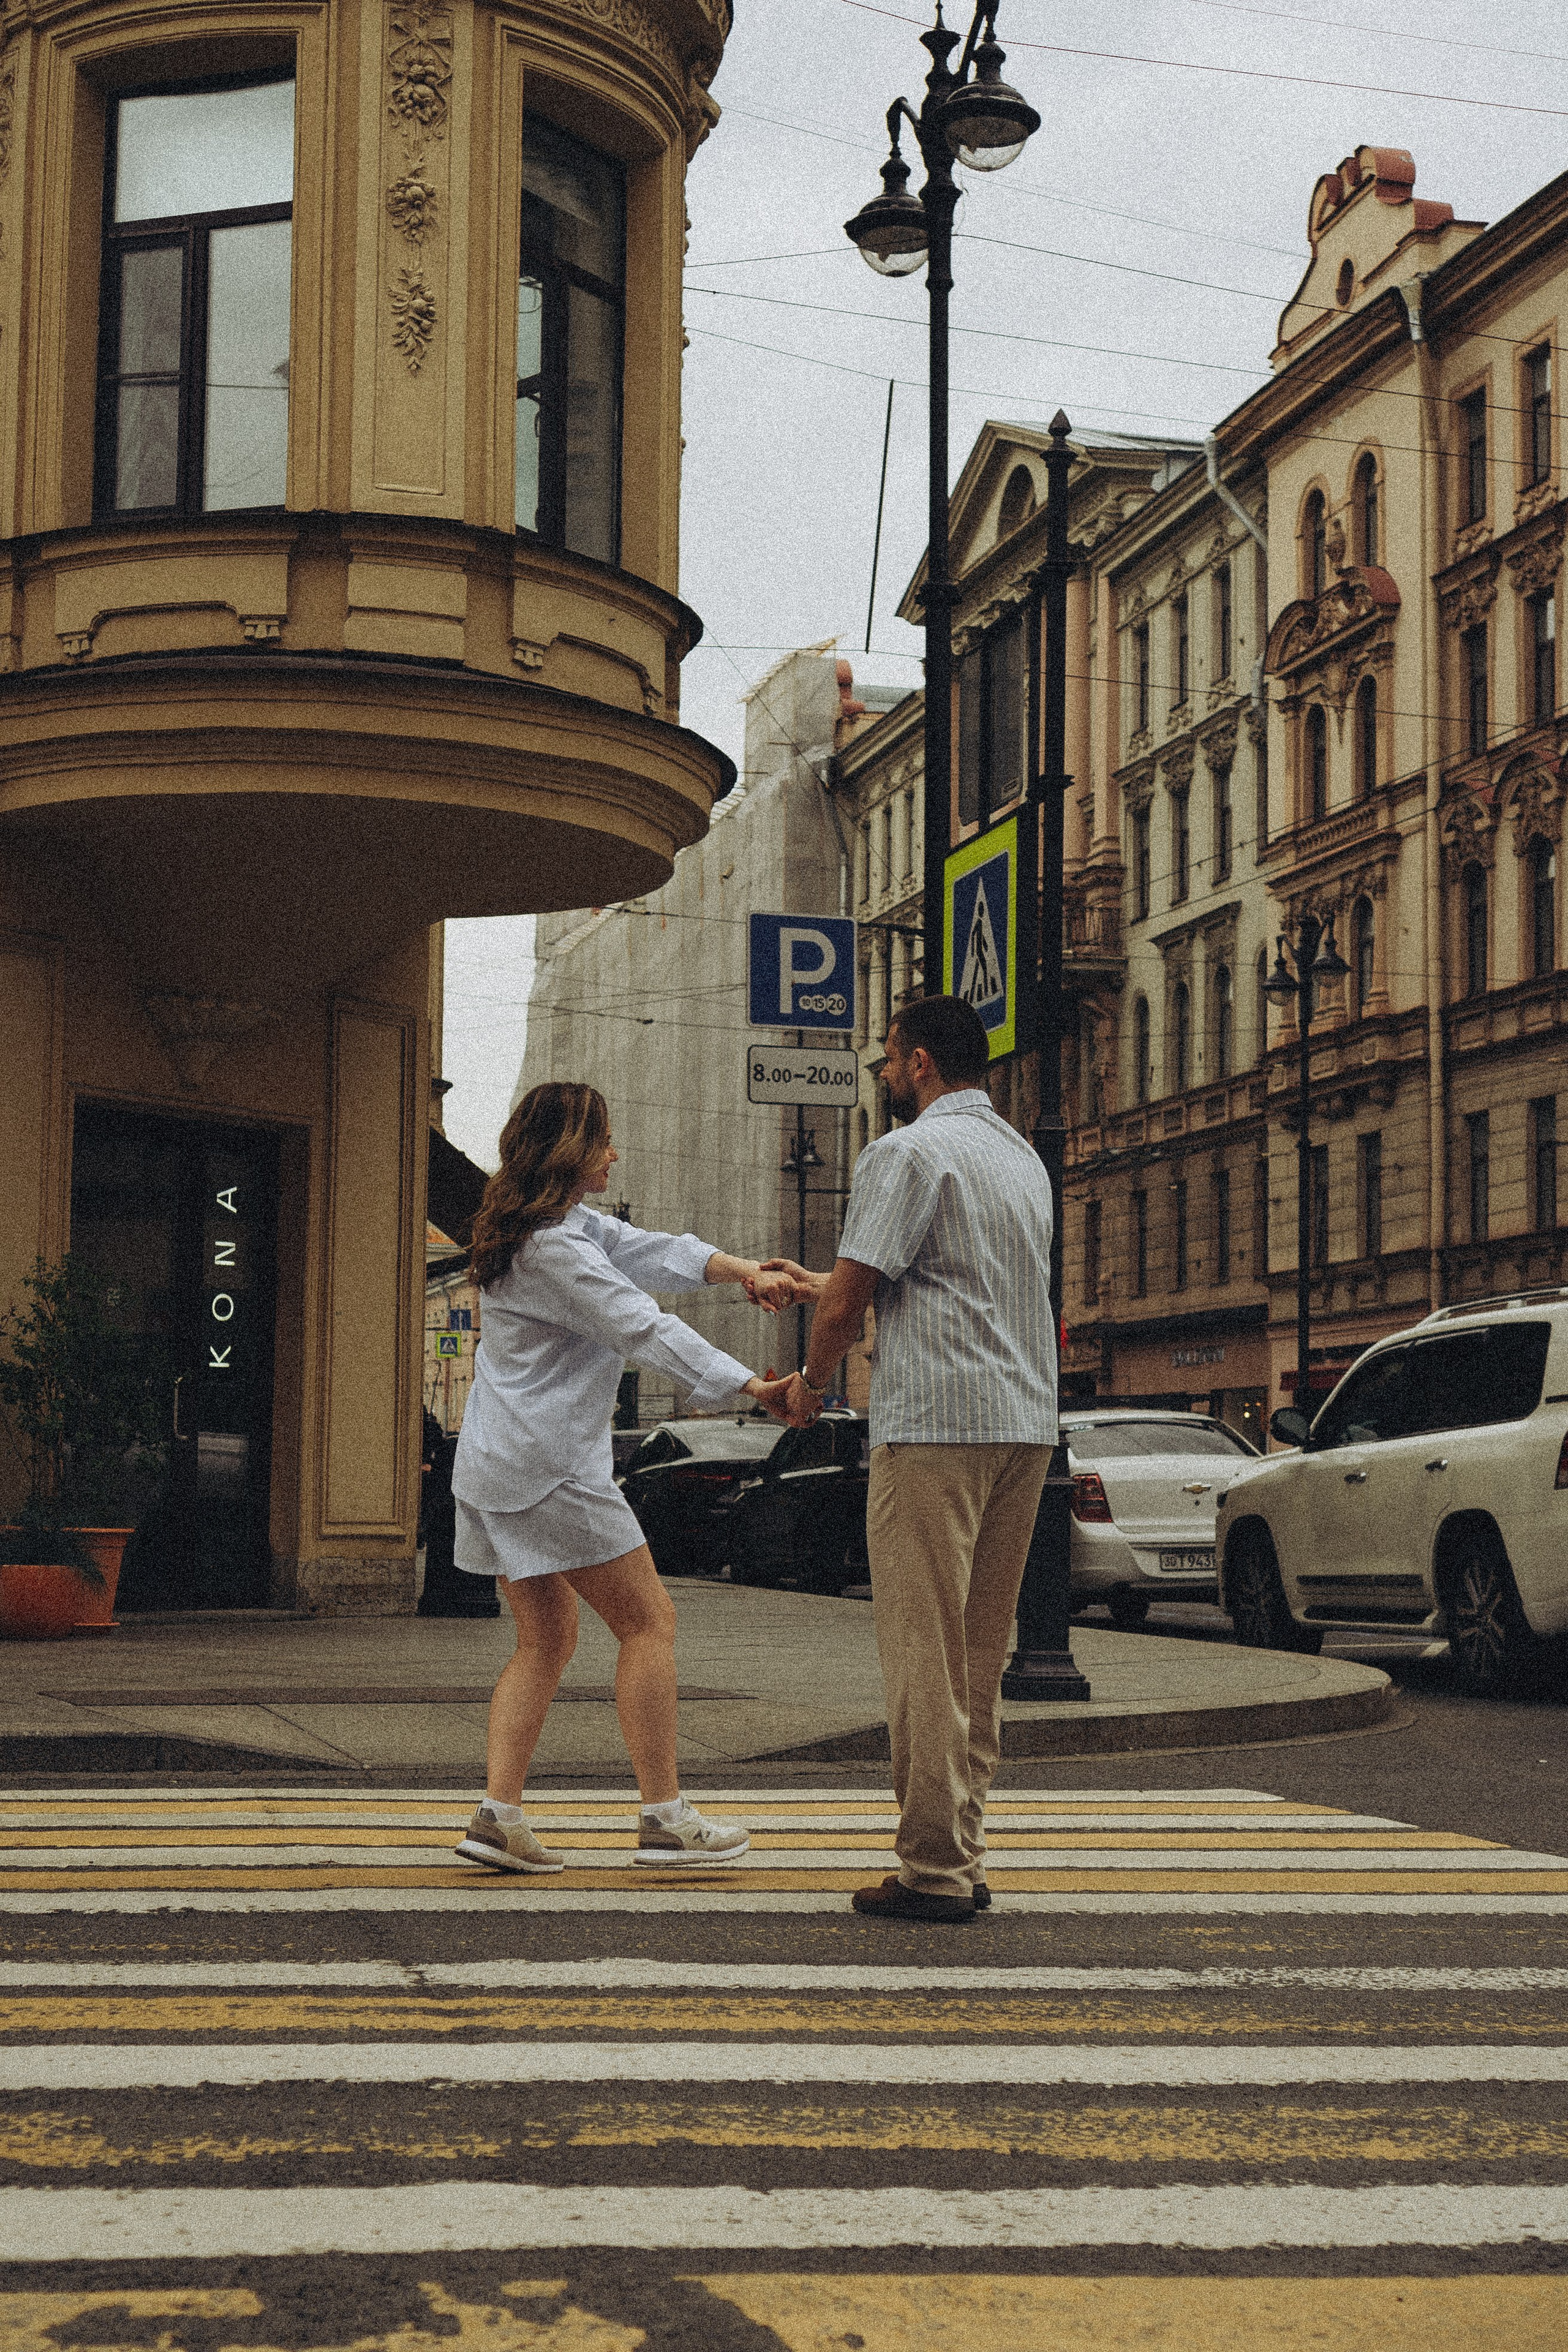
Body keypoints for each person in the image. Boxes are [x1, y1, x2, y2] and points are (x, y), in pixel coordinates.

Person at [450, 1081, 796, 1875]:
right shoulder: (557, 1250)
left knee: (545, 1638)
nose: (615, 1153)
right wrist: (755, 1389)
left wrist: (745, 1269)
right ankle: (665, 1817)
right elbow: (643, 1324)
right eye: (604, 1140)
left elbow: (656, 1251)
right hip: (550, 1467)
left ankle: (499, 1815)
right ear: (573, 1151)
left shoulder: (551, 1229)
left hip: (501, 1464)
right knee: (649, 1623)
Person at [768, 995, 1055, 1924]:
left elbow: (847, 1309)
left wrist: (812, 1383)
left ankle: (931, 1868)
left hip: (932, 1425)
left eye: (889, 1059)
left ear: (922, 1062)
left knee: (922, 1650)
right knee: (977, 1653)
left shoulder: (905, 1153)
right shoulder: (1021, 1159)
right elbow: (946, 1284)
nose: (883, 1075)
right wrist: (835, 1286)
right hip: (1021, 1426)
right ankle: (962, 1851)